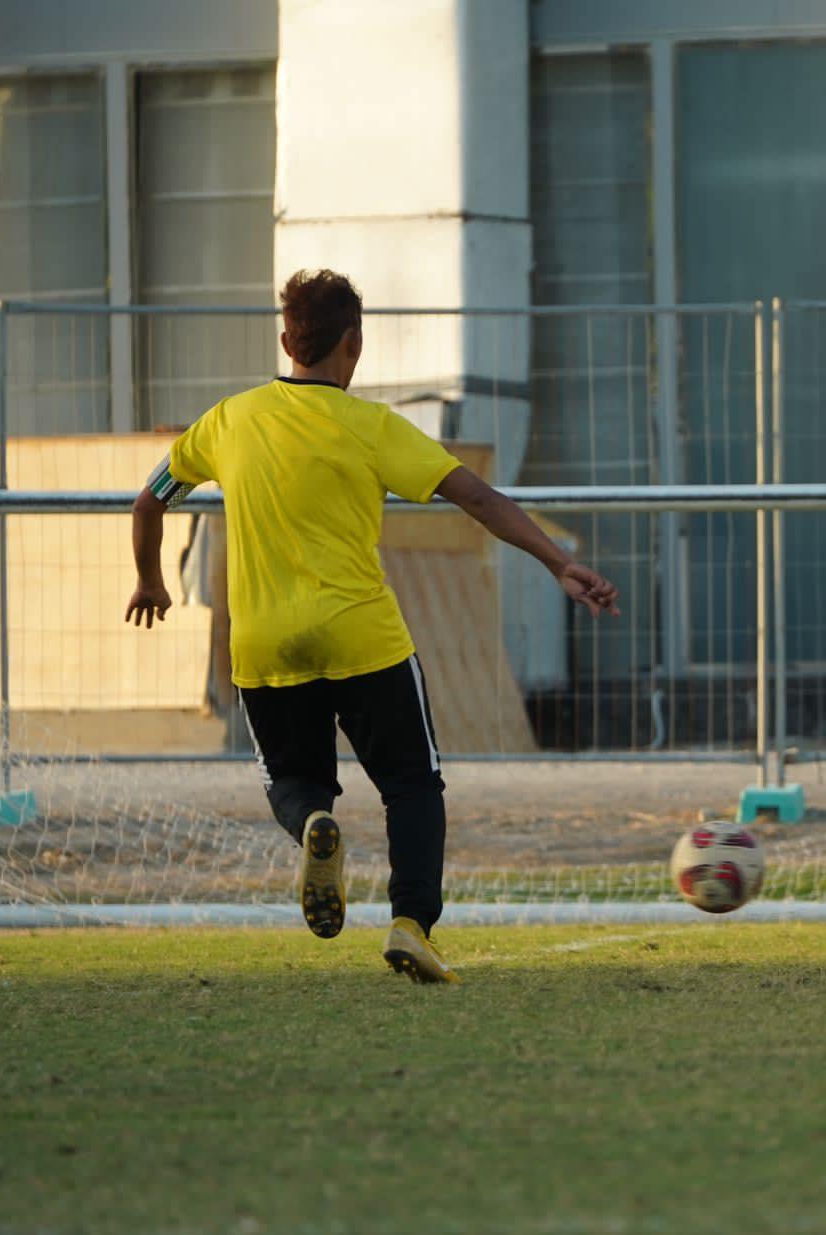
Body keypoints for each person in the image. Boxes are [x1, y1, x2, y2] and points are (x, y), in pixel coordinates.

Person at [125, 268, 620, 983]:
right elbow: (475, 497)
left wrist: (150, 578)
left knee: (294, 781)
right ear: (352, 344)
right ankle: (411, 923)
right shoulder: (373, 427)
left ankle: (313, 829)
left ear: (285, 339)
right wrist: (556, 563)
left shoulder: (228, 420)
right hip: (364, 639)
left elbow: (149, 501)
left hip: (267, 643)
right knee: (412, 786)